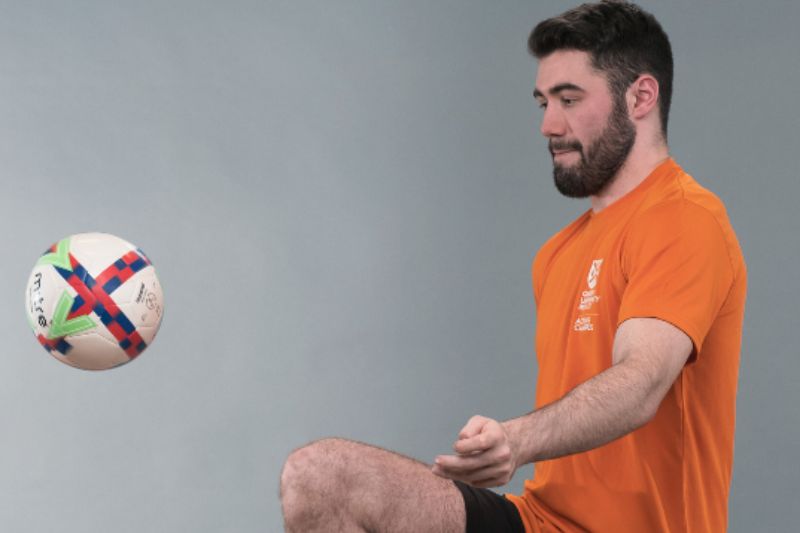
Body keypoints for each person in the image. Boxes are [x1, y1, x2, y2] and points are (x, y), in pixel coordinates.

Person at [279, 1, 747, 531]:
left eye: (569, 99)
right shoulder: (557, 254)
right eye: (543, 102)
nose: (549, 125)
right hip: (541, 521)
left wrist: (518, 439)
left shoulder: (685, 219)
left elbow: (642, 382)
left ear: (640, 96)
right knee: (320, 478)